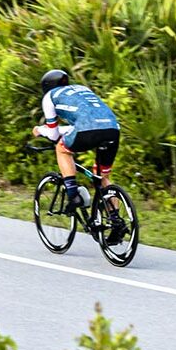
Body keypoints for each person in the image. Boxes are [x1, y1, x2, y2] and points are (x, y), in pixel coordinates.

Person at [32, 69, 125, 240]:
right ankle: (116, 220)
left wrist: (40, 130)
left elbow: (53, 134)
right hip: (112, 129)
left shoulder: (49, 97)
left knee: (61, 148)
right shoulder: (82, 89)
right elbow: (86, 120)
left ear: (46, 87)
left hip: (87, 129)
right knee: (103, 178)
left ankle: (73, 194)